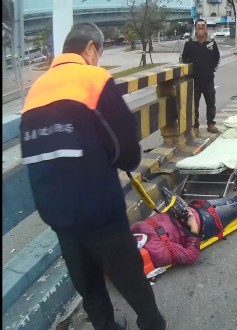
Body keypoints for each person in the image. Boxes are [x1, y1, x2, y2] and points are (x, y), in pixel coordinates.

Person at [20, 22, 167, 330]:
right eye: (99, 53)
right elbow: (125, 148)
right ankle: (152, 324)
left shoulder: (35, 91)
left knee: (87, 280)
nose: (99, 59)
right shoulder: (94, 79)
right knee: (127, 273)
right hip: (98, 206)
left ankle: (106, 326)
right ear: (90, 48)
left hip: (55, 211)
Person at [131, 178, 237, 268]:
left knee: (232, 199)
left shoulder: (134, 230)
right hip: (204, 224)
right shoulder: (158, 252)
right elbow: (190, 256)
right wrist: (194, 228)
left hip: (190, 211)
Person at [181, 19, 221, 133]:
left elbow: (217, 57)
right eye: (199, 26)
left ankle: (211, 124)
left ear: (206, 28)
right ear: (195, 28)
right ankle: (195, 126)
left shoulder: (212, 43)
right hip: (194, 80)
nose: (201, 28)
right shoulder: (189, 44)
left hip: (208, 80)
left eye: (203, 26)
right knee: (194, 105)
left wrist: (212, 69)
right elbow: (184, 59)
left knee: (211, 103)